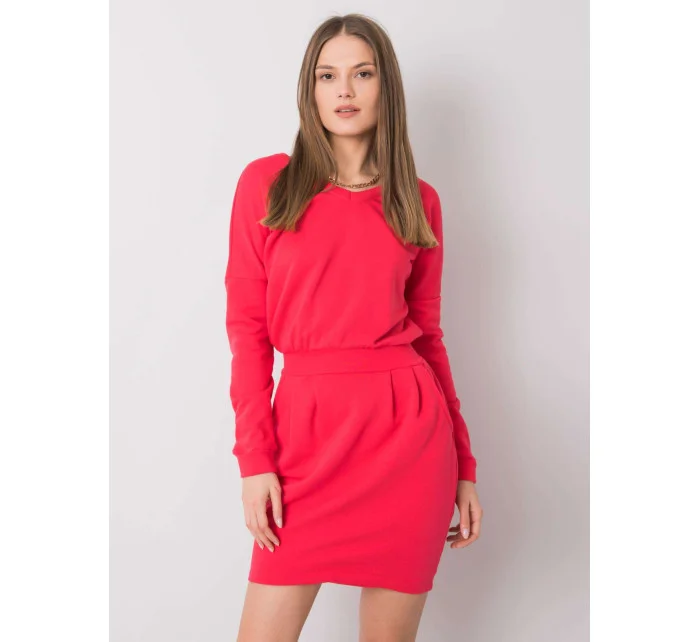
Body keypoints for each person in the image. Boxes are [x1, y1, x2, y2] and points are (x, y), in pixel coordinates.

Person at [224, 13, 484, 642]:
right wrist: (255, 461)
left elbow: (429, 338)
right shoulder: (268, 185)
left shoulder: (417, 200)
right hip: (304, 444)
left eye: (362, 74)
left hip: (408, 445)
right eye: (327, 76)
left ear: (384, 86)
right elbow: (247, 331)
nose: (344, 90)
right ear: (309, 90)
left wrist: (465, 465)